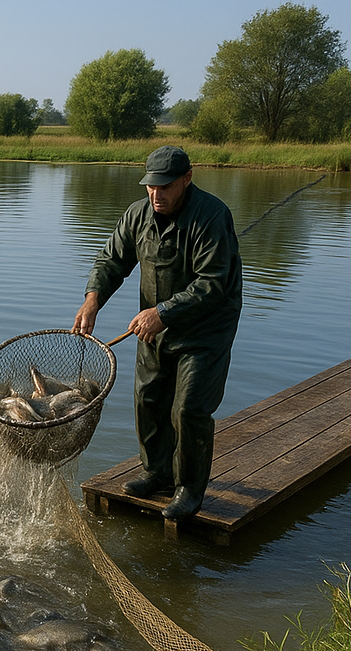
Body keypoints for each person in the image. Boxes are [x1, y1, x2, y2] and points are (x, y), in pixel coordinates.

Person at [72, 145, 243, 521]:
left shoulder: (213, 216)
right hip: (155, 324)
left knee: (189, 409)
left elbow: (213, 283)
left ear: (187, 178)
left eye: (165, 186)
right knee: (148, 398)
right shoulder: (138, 215)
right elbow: (112, 259)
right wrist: (92, 300)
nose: (156, 194)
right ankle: (157, 472)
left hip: (205, 328)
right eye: (151, 185)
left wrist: (163, 311)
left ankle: (189, 489)